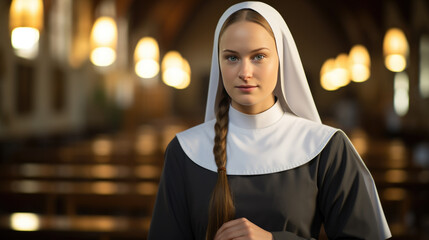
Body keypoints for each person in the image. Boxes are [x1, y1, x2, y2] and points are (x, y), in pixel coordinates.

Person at [148, 1, 392, 240]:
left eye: (258, 57)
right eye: (232, 58)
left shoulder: (327, 148)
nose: (245, 72)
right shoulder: (184, 151)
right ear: (219, 63)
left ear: (281, 59)